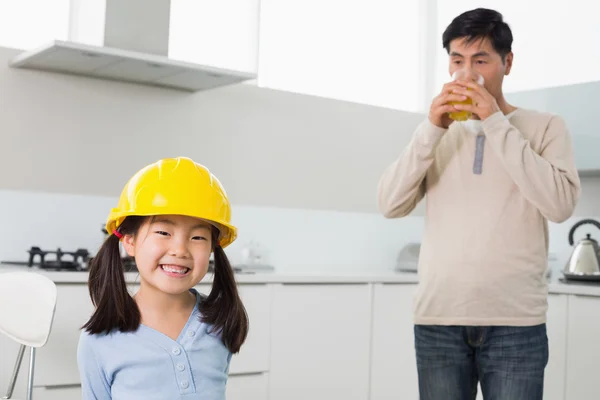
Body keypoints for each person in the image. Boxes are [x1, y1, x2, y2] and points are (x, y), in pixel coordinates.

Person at [377, 8, 580, 400]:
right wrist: (430, 129)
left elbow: (559, 205)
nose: (467, 74)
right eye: (457, 61)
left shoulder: (546, 126)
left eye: (480, 60)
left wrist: (494, 122)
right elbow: (390, 203)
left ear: (507, 62)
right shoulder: (437, 133)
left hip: (515, 323)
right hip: (439, 320)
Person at [77, 156, 249, 400]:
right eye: (163, 232)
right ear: (129, 240)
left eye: (198, 237)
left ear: (213, 246)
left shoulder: (220, 322)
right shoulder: (100, 338)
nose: (180, 250)